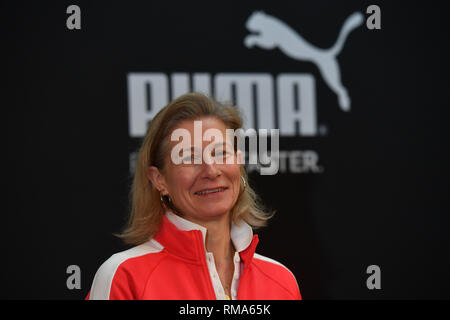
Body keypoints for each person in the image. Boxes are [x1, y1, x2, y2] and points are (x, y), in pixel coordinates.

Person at [86, 92, 301, 300]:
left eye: (221, 153)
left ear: (238, 162)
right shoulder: (123, 276)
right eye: (189, 157)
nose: (211, 170)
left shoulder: (281, 280)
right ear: (159, 179)